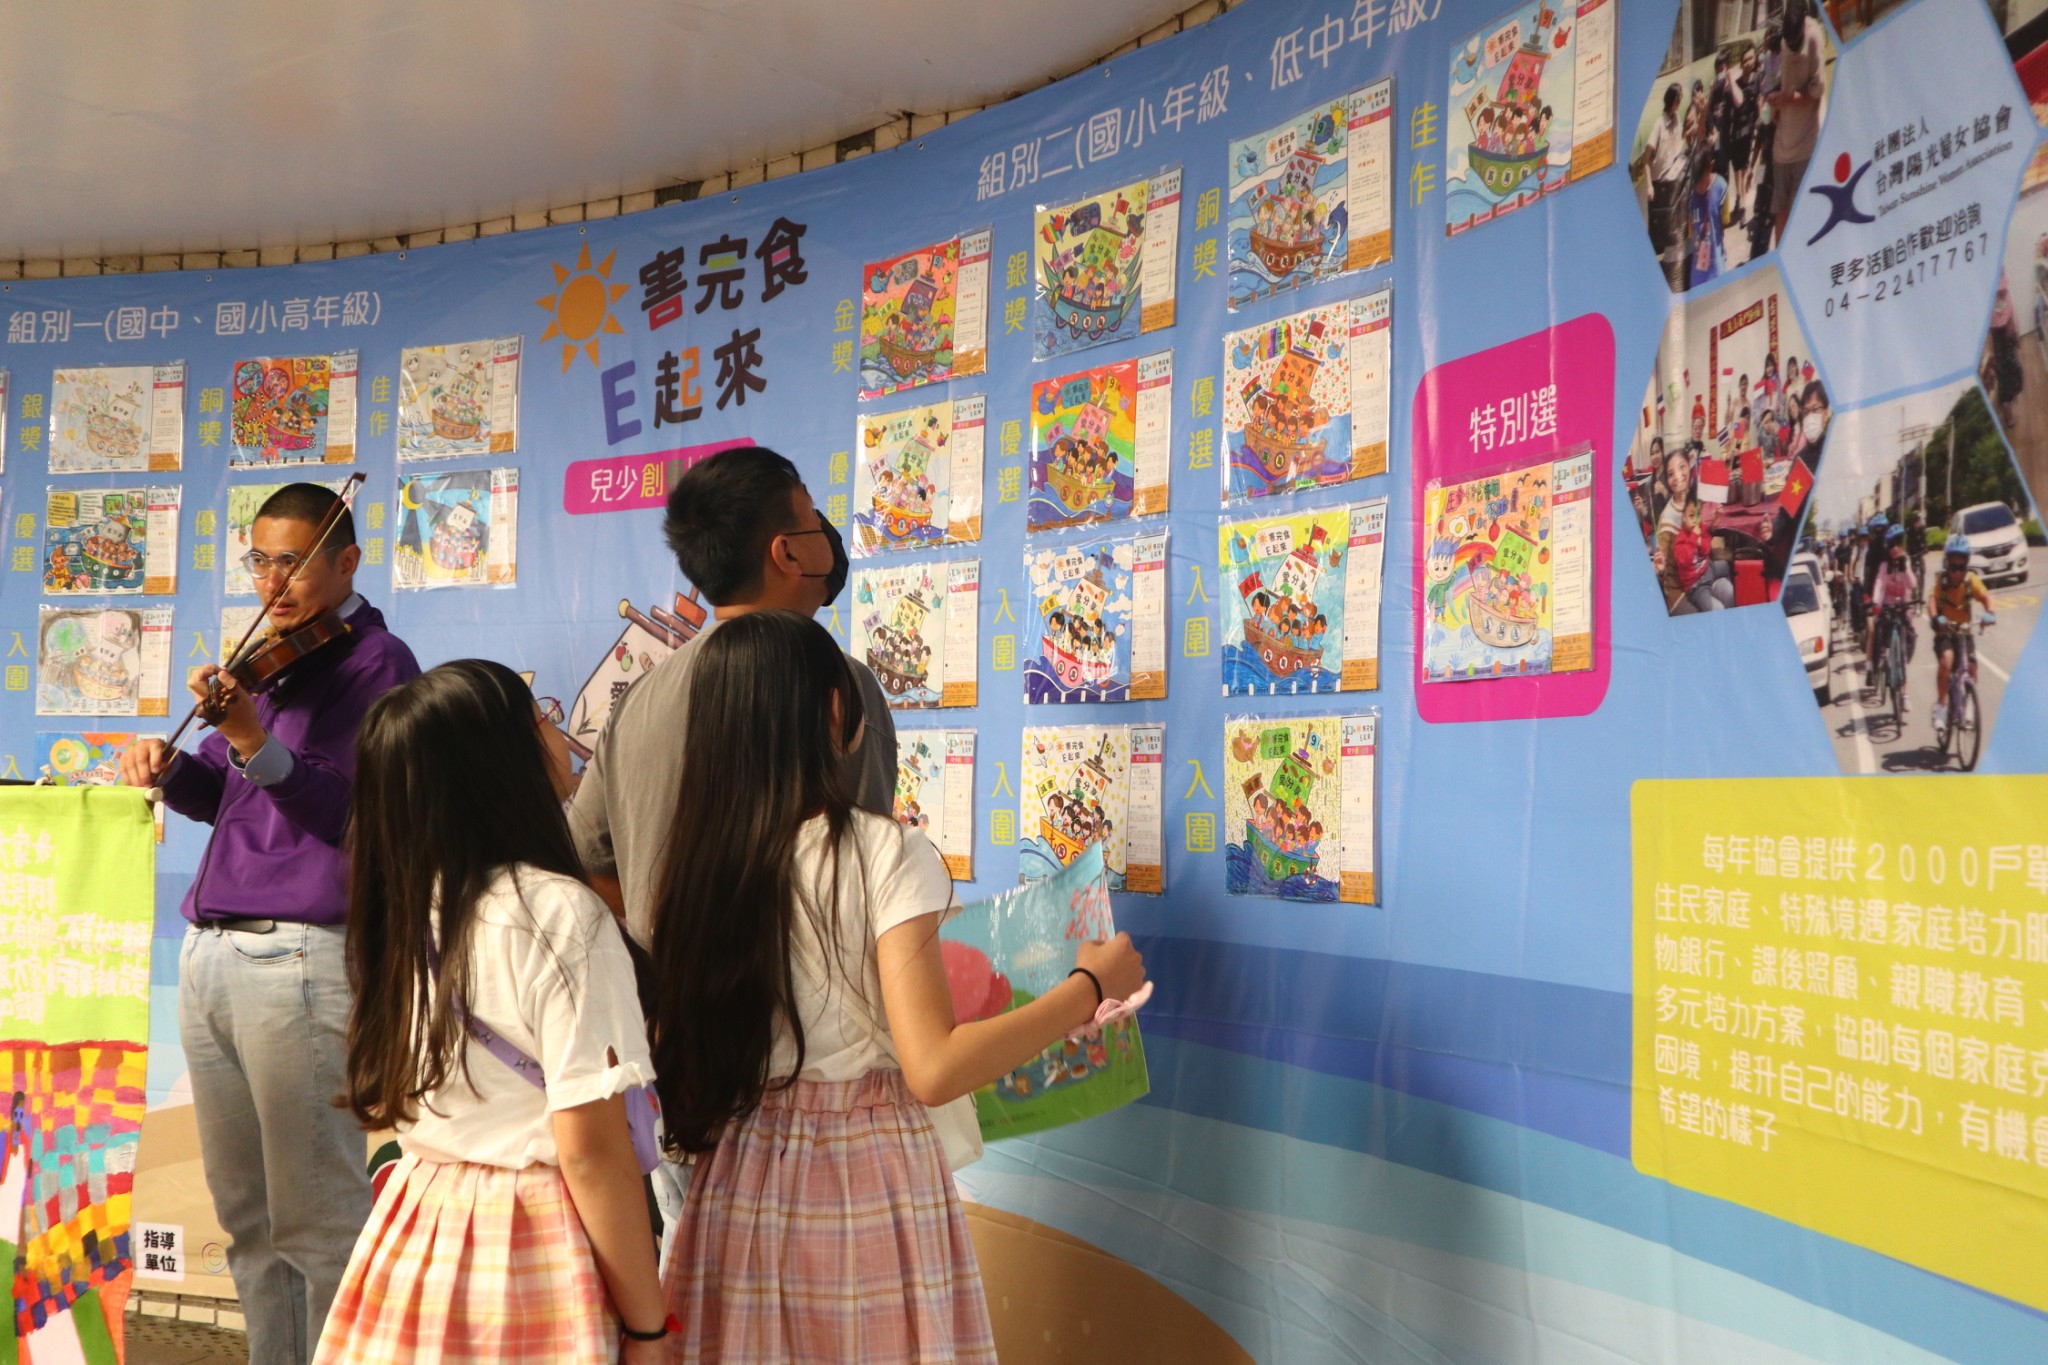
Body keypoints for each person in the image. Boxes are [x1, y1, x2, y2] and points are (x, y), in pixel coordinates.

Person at [643, 611, 1148, 1362]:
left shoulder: (699, 866)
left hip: (742, 1179)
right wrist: (1088, 986)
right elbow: (934, 1066)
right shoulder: (884, 851)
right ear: (836, 711)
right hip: (865, 1180)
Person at [118, 483, 420, 1364]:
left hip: (298, 957)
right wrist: (170, 767)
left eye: (293, 561)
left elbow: (352, 813)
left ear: (348, 561)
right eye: (260, 561)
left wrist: (253, 738)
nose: (273, 582)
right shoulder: (269, 660)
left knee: (318, 1217)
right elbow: (224, 791)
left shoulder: (378, 662)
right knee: (247, 1218)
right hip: (213, 952)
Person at [315, 660, 664, 1364]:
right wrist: (649, 1327)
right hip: (531, 1240)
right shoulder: (559, 914)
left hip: (416, 1229)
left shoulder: (408, 906)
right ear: (501, 762)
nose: (558, 733)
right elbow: (591, 1151)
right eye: (541, 719)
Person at [570, 445, 897, 949]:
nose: (826, 530)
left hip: (670, 995)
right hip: (812, 996)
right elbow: (871, 873)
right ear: (787, 553)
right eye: (814, 516)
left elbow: (590, 862)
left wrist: (665, 943)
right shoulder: (838, 683)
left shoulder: (638, 700)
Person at [1767, 0, 1828, 250]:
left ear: (1804, 25)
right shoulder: (1785, 41)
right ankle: (1781, 257)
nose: (1791, 47)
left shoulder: (1814, 37)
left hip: (1806, 143)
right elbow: (1783, 82)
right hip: (1782, 146)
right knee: (1780, 209)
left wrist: (1789, 99)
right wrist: (1775, 104)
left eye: (1795, 43)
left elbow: (1817, 89)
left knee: (1800, 210)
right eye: (1788, 42)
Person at [1929, 535, 1996, 733]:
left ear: (1966, 564)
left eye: (1961, 565)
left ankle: (1968, 705)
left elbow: (1986, 597)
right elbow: (1932, 601)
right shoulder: (1942, 581)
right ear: (1947, 563)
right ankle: (1941, 707)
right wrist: (1936, 618)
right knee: (1947, 660)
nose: (1957, 571)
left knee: (1972, 667)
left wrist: (1990, 612)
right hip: (1945, 632)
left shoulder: (1970, 581)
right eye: (1953, 564)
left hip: (1964, 631)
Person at [1634, 83, 1691, 291]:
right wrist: (1649, 186)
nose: (1680, 102)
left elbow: (1678, 147)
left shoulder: (1677, 121)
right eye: (1678, 98)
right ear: (1672, 100)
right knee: (1660, 235)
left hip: (1674, 181)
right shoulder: (1659, 124)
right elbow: (1647, 160)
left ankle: (1674, 275)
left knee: (1675, 232)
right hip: (1659, 186)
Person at [1866, 528, 1919, 701]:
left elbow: (1912, 584)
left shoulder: (1906, 562)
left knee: (1904, 650)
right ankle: (1882, 657)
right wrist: (1876, 603)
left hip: (1904, 607)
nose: (1895, 548)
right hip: (1888, 606)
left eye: (1898, 544)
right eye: (1892, 545)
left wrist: (1906, 566)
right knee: (1881, 629)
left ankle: (1905, 694)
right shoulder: (1884, 566)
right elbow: (1879, 585)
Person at [1688, 152, 1729, 288]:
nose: (1699, 186)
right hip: (1698, 266)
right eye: (1696, 181)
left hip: (1717, 263)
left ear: (1711, 166)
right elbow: (1690, 230)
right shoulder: (1689, 195)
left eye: (1702, 179)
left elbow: (1725, 221)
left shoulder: (1721, 187)